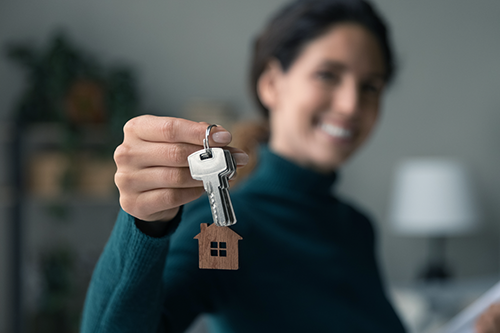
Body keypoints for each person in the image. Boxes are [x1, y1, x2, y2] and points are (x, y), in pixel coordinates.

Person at [80, 0, 500, 332]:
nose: (352, 104)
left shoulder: (355, 227)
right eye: (328, 75)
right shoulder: (224, 231)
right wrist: (145, 225)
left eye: (370, 86)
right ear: (271, 83)